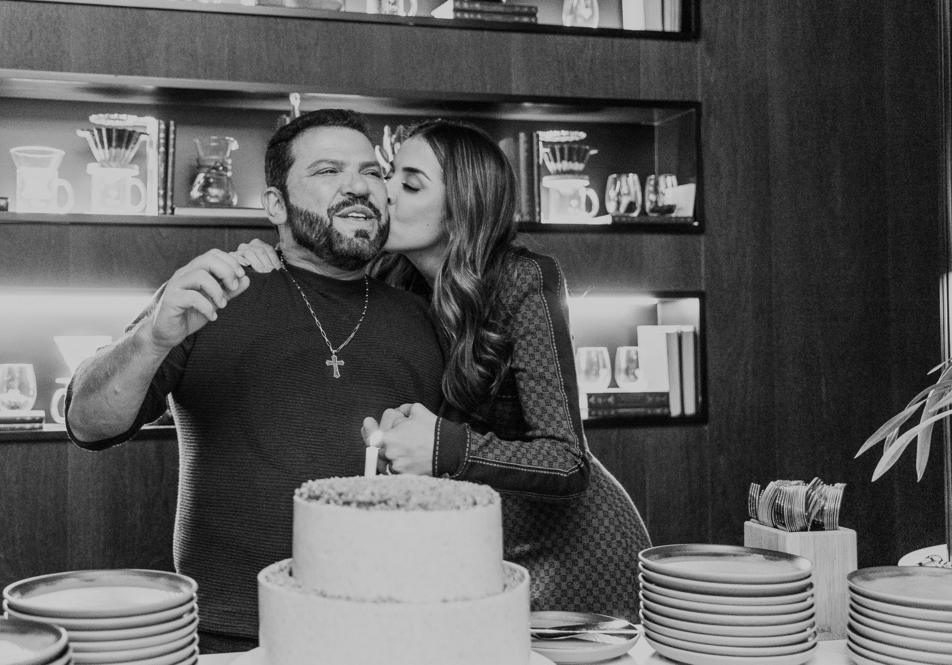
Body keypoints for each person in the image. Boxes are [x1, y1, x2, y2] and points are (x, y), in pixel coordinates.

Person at [239, 118, 652, 621]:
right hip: (474, 549)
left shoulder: (522, 279)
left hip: (574, 552)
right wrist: (271, 255)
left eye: (410, 185)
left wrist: (443, 447)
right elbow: (318, 262)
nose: (382, 192)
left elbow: (567, 461)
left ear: (461, 210)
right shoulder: (392, 280)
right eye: (387, 175)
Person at [65, 109, 446, 653]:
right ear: (275, 205)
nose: (359, 186)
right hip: (230, 635)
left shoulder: (423, 317)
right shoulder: (212, 292)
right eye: (328, 171)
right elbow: (88, 423)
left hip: (388, 631)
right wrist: (151, 338)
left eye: (370, 171)